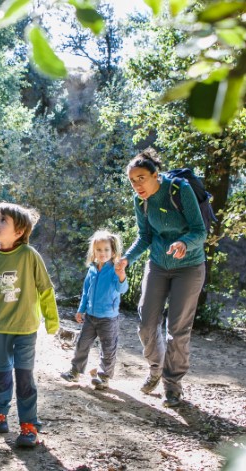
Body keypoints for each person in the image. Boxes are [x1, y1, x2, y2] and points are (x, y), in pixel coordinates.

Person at [0, 202, 59, 448]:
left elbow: (45, 288)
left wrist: (51, 320)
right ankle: (0, 412)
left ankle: (28, 425)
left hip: (26, 328)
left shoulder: (29, 255)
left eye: (3, 219)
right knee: (1, 373)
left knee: (24, 377)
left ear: (19, 232)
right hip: (1, 328)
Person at [117, 148, 206, 408]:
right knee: (146, 323)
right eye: (132, 181)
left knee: (177, 330)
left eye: (141, 178)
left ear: (156, 175)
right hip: (157, 264)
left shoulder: (179, 190)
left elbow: (199, 231)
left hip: (188, 266)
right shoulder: (140, 201)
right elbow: (145, 236)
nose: (136, 186)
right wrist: (127, 259)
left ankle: (172, 386)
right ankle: (156, 369)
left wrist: (183, 243)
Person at [61, 230, 128, 390]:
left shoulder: (115, 269)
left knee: (108, 348)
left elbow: (122, 288)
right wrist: (80, 310)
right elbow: (86, 292)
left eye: (106, 249)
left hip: (108, 318)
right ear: (94, 251)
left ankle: (104, 377)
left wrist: (121, 275)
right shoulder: (91, 270)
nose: (102, 253)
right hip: (90, 317)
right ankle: (75, 371)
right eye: (99, 250)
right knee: (82, 344)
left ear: (113, 251)